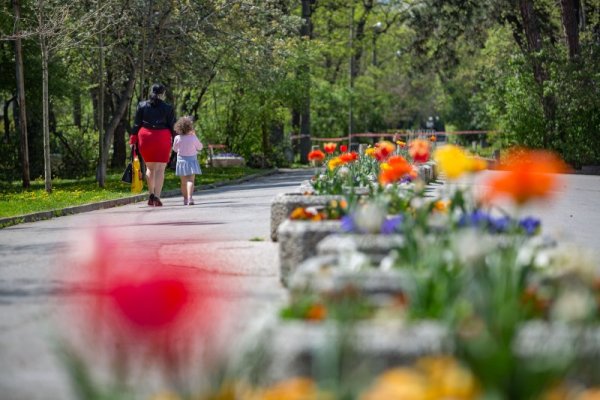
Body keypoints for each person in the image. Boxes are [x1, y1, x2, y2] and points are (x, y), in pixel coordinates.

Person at [130, 83, 176, 207]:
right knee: (160, 169)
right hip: (162, 138)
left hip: (145, 138)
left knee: (150, 168)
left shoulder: (142, 105)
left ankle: (150, 195)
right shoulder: (168, 107)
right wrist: (176, 140)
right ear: (163, 94)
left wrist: (132, 140)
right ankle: (157, 197)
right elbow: (173, 126)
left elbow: (136, 124)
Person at [172, 116, 203, 205]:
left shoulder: (177, 138)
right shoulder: (193, 137)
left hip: (181, 161)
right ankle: (190, 198)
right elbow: (200, 147)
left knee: (183, 182)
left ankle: (185, 199)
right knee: (190, 180)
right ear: (190, 127)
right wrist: (195, 135)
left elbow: (174, 149)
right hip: (192, 160)